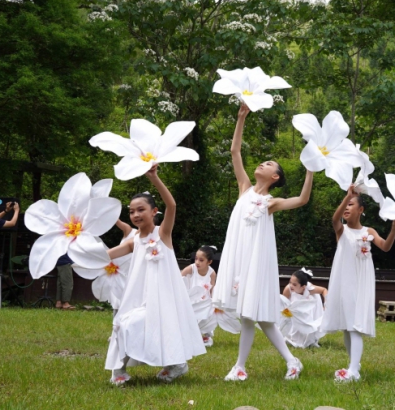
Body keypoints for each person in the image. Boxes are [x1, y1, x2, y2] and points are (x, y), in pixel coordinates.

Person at [214, 103, 314, 382]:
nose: (262, 163)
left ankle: (243, 367)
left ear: (275, 177)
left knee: (253, 315)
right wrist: (240, 118)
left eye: (269, 164)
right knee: (255, 317)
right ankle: (288, 362)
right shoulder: (244, 188)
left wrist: (311, 168)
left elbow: (302, 200)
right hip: (239, 260)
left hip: (255, 264)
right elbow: (235, 152)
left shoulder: (270, 203)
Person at [104, 165, 206, 386]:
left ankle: (176, 364)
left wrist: (154, 177)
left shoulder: (163, 233)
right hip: (140, 297)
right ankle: (119, 369)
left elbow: (172, 204)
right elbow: (105, 256)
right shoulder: (134, 241)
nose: (135, 215)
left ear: (153, 211)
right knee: (123, 323)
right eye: (131, 211)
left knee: (162, 328)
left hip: (164, 297)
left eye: (140, 209)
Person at [321, 185, 395, 382]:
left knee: (355, 325)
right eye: (345, 205)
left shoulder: (369, 230)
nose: (347, 207)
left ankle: (354, 370)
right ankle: (353, 364)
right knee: (348, 326)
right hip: (344, 279)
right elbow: (334, 219)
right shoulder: (342, 230)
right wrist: (348, 195)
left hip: (361, 281)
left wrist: (394, 230)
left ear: (361, 210)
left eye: (351, 204)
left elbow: (385, 247)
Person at [279, 268, 328, 348]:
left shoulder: (310, 289)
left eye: (294, 284)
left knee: (309, 306)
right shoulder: (288, 289)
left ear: (303, 287)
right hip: (293, 309)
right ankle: (295, 338)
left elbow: (324, 290)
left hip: (308, 306)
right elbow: (284, 303)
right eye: (290, 282)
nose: (291, 285)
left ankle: (309, 337)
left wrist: (326, 303)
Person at [182, 245, 218, 346]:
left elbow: (212, 288)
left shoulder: (211, 273)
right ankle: (190, 336)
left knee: (207, 316)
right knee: (191, 319)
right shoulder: (191, 268)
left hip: (205, 301)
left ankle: (207, 336)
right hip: (192, 299)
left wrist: (213, 302)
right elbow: (179, 278)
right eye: (196, 259)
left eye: (201, 260)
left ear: (209, 262)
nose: (197, 262)